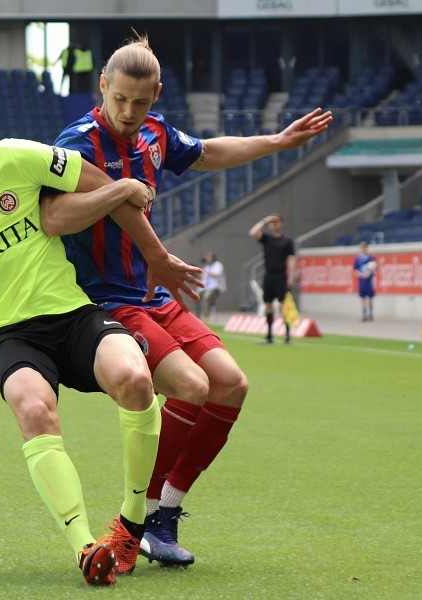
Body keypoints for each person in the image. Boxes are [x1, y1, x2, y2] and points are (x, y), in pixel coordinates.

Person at [42, 33, 332, 567]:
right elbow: (52, 217)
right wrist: (122, 203)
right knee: (192, 386)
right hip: (106, 302)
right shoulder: (76, 143)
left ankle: (163, 515)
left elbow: (208, 152)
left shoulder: (154, 133)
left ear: (155, 97)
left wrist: (275, 142)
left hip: (152, 293)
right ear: (102, 86)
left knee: (230, 384)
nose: (128, 112)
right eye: (119, 99)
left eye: (141, 102)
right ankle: (135, 519)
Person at [0, 86, 203, 586]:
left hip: (73, 314)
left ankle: (131, 524)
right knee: (35, 410)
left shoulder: (19, 157)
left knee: (135, 379)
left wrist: (154, 253)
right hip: (9, 337)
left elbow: (106, 186)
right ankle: (85, 546)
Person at [249, 213, 297, 343]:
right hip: (268, 275)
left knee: (284, 305)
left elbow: (291, 259)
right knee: (268, 304)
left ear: (282, 224)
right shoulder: (267, 238)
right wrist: (265, 220)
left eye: (277, 222)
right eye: (272, 222)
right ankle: (269, 335)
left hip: (281, 275)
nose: (274, 224)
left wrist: (291, 276)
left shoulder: (287, 241)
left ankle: (287, 335)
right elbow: (253, 232)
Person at [199, 252, 226, 322]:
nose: (207, 259)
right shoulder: (206, 266)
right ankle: (197, 316)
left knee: (206, 297)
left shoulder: (218, 265)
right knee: (196, 296)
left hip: (215, 287)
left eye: (209, 257)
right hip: (205, 286)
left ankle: (206, 316)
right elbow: (203, 277)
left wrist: (205, 271)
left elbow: (216, 274)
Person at [353, 241, 377, 321]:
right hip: (362, 281)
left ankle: (371, 314)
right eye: (362, 248)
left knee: (370, 297)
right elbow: (355, 270)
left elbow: (374, 267)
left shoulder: (371, 258)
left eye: (365, 247)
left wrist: (370, 272)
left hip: (369, 281)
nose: (363, 249)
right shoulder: (358, 259)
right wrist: (361, 274)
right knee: (363, 298)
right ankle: (364, 314)